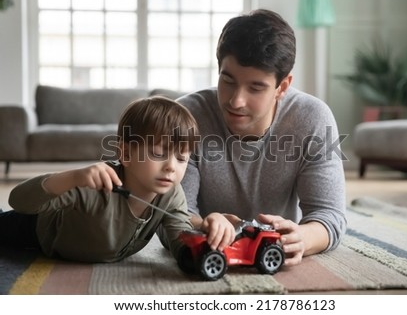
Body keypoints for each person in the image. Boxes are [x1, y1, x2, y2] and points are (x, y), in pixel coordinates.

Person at [178, 9, 347, 266]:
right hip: (211, 246)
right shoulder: (187, 117)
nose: (236, 100)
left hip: (270, 244)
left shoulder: (312, 118)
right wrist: (204, 225)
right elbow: (175, 215)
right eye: (228, 80)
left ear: (283, 87)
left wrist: (302, 237)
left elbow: (329, 215)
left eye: (256, 87)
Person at [0, 96, 233, 263]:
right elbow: (18, 199)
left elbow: (180, 240)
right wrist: (72, 177)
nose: (172, 166)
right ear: (125, 154)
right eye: (158, 154)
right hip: (35, 231)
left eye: (182, 158)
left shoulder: (171, 194)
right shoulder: (94, 186)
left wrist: (207, 234)